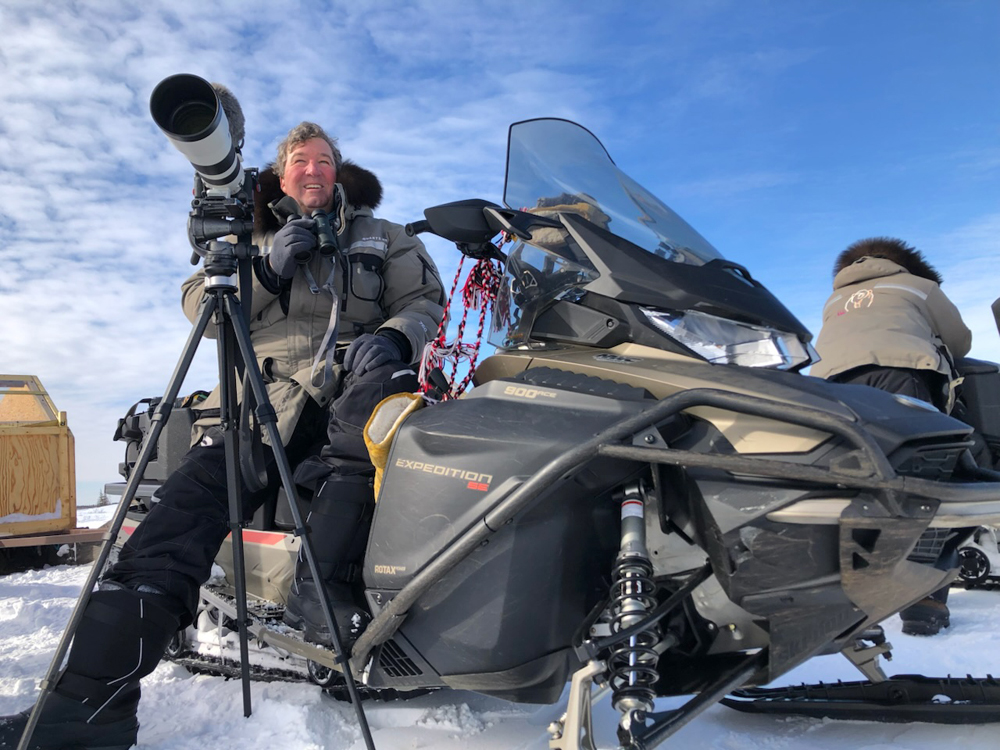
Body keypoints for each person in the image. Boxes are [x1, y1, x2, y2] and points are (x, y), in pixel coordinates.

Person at [0, 122, 445, 750]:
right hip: (259, 406)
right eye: (299, 161)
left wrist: (396, 336)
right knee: (177, 522)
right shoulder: (248, 232)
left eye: (324, 160)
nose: (313, 170)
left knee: (383, 410)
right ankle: (89, 702)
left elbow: (425, 300)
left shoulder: (384, 236)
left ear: (338, 172)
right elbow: (196, 308)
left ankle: (325, 600)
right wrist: (262, 267)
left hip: (355, 394)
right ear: (281, 174)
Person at [812, 236, 971, 637]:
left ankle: (848, 600)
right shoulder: (918, 286)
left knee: (857, 489)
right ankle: (924, 600)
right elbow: (961, 341)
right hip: (902, 376)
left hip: (832, 393)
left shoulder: (835, 301)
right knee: (929, 487)